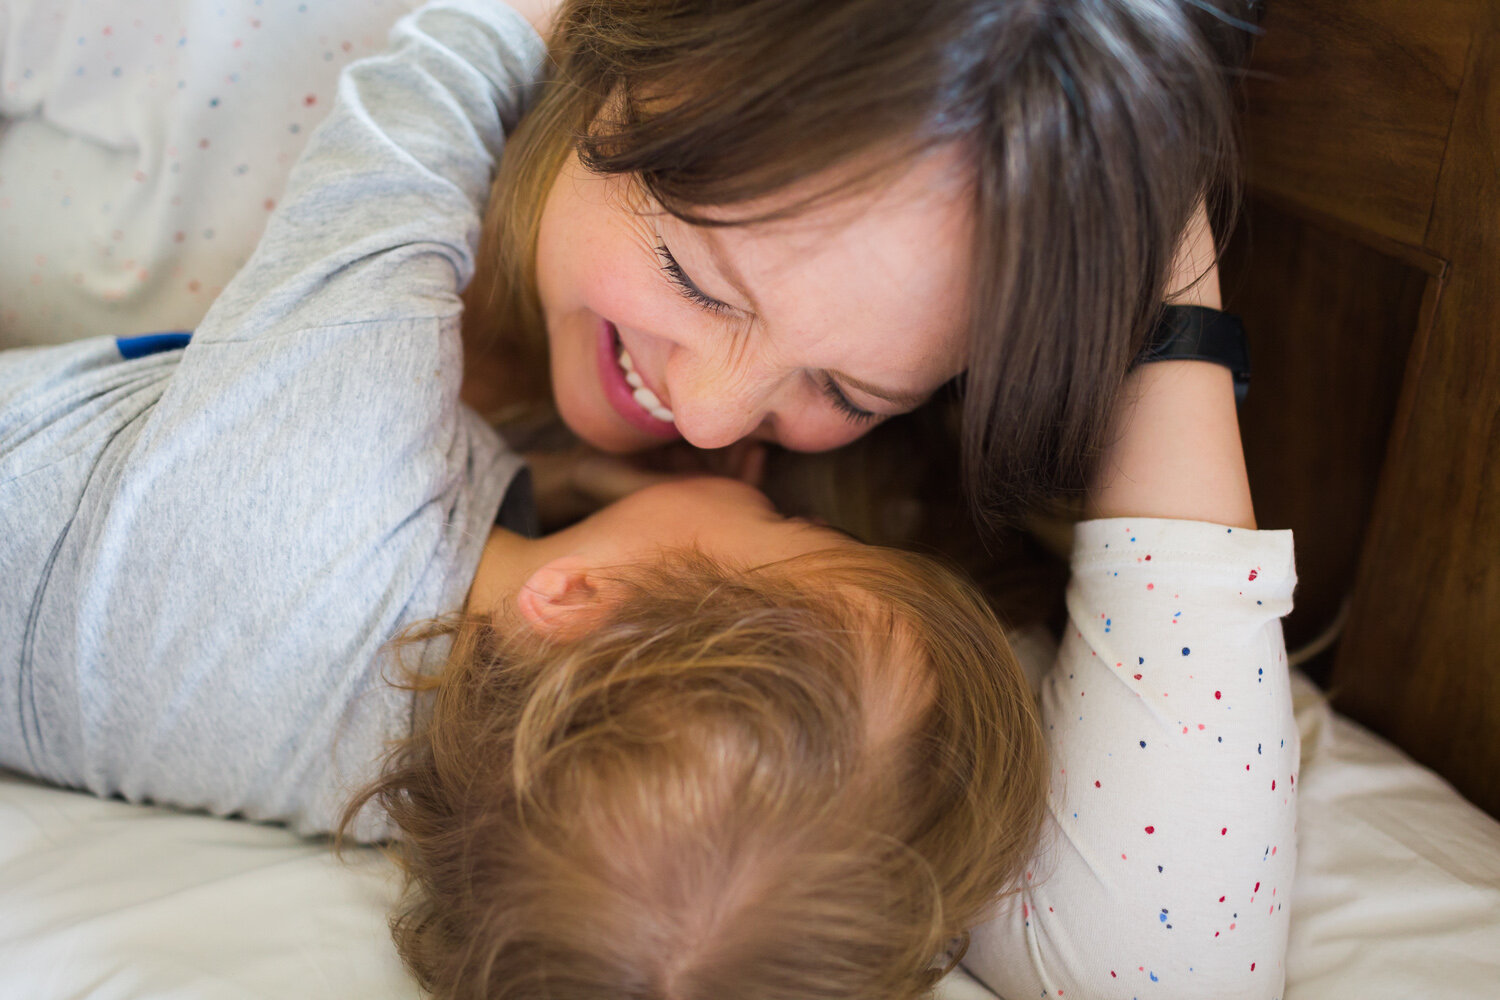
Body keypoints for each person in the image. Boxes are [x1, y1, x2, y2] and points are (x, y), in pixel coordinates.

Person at [0, 2, 1296, 997]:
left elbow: (1162, 964)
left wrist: (1144, 222)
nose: (721, 421)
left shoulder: (669, 771)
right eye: (696, 274)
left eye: (850, 386)